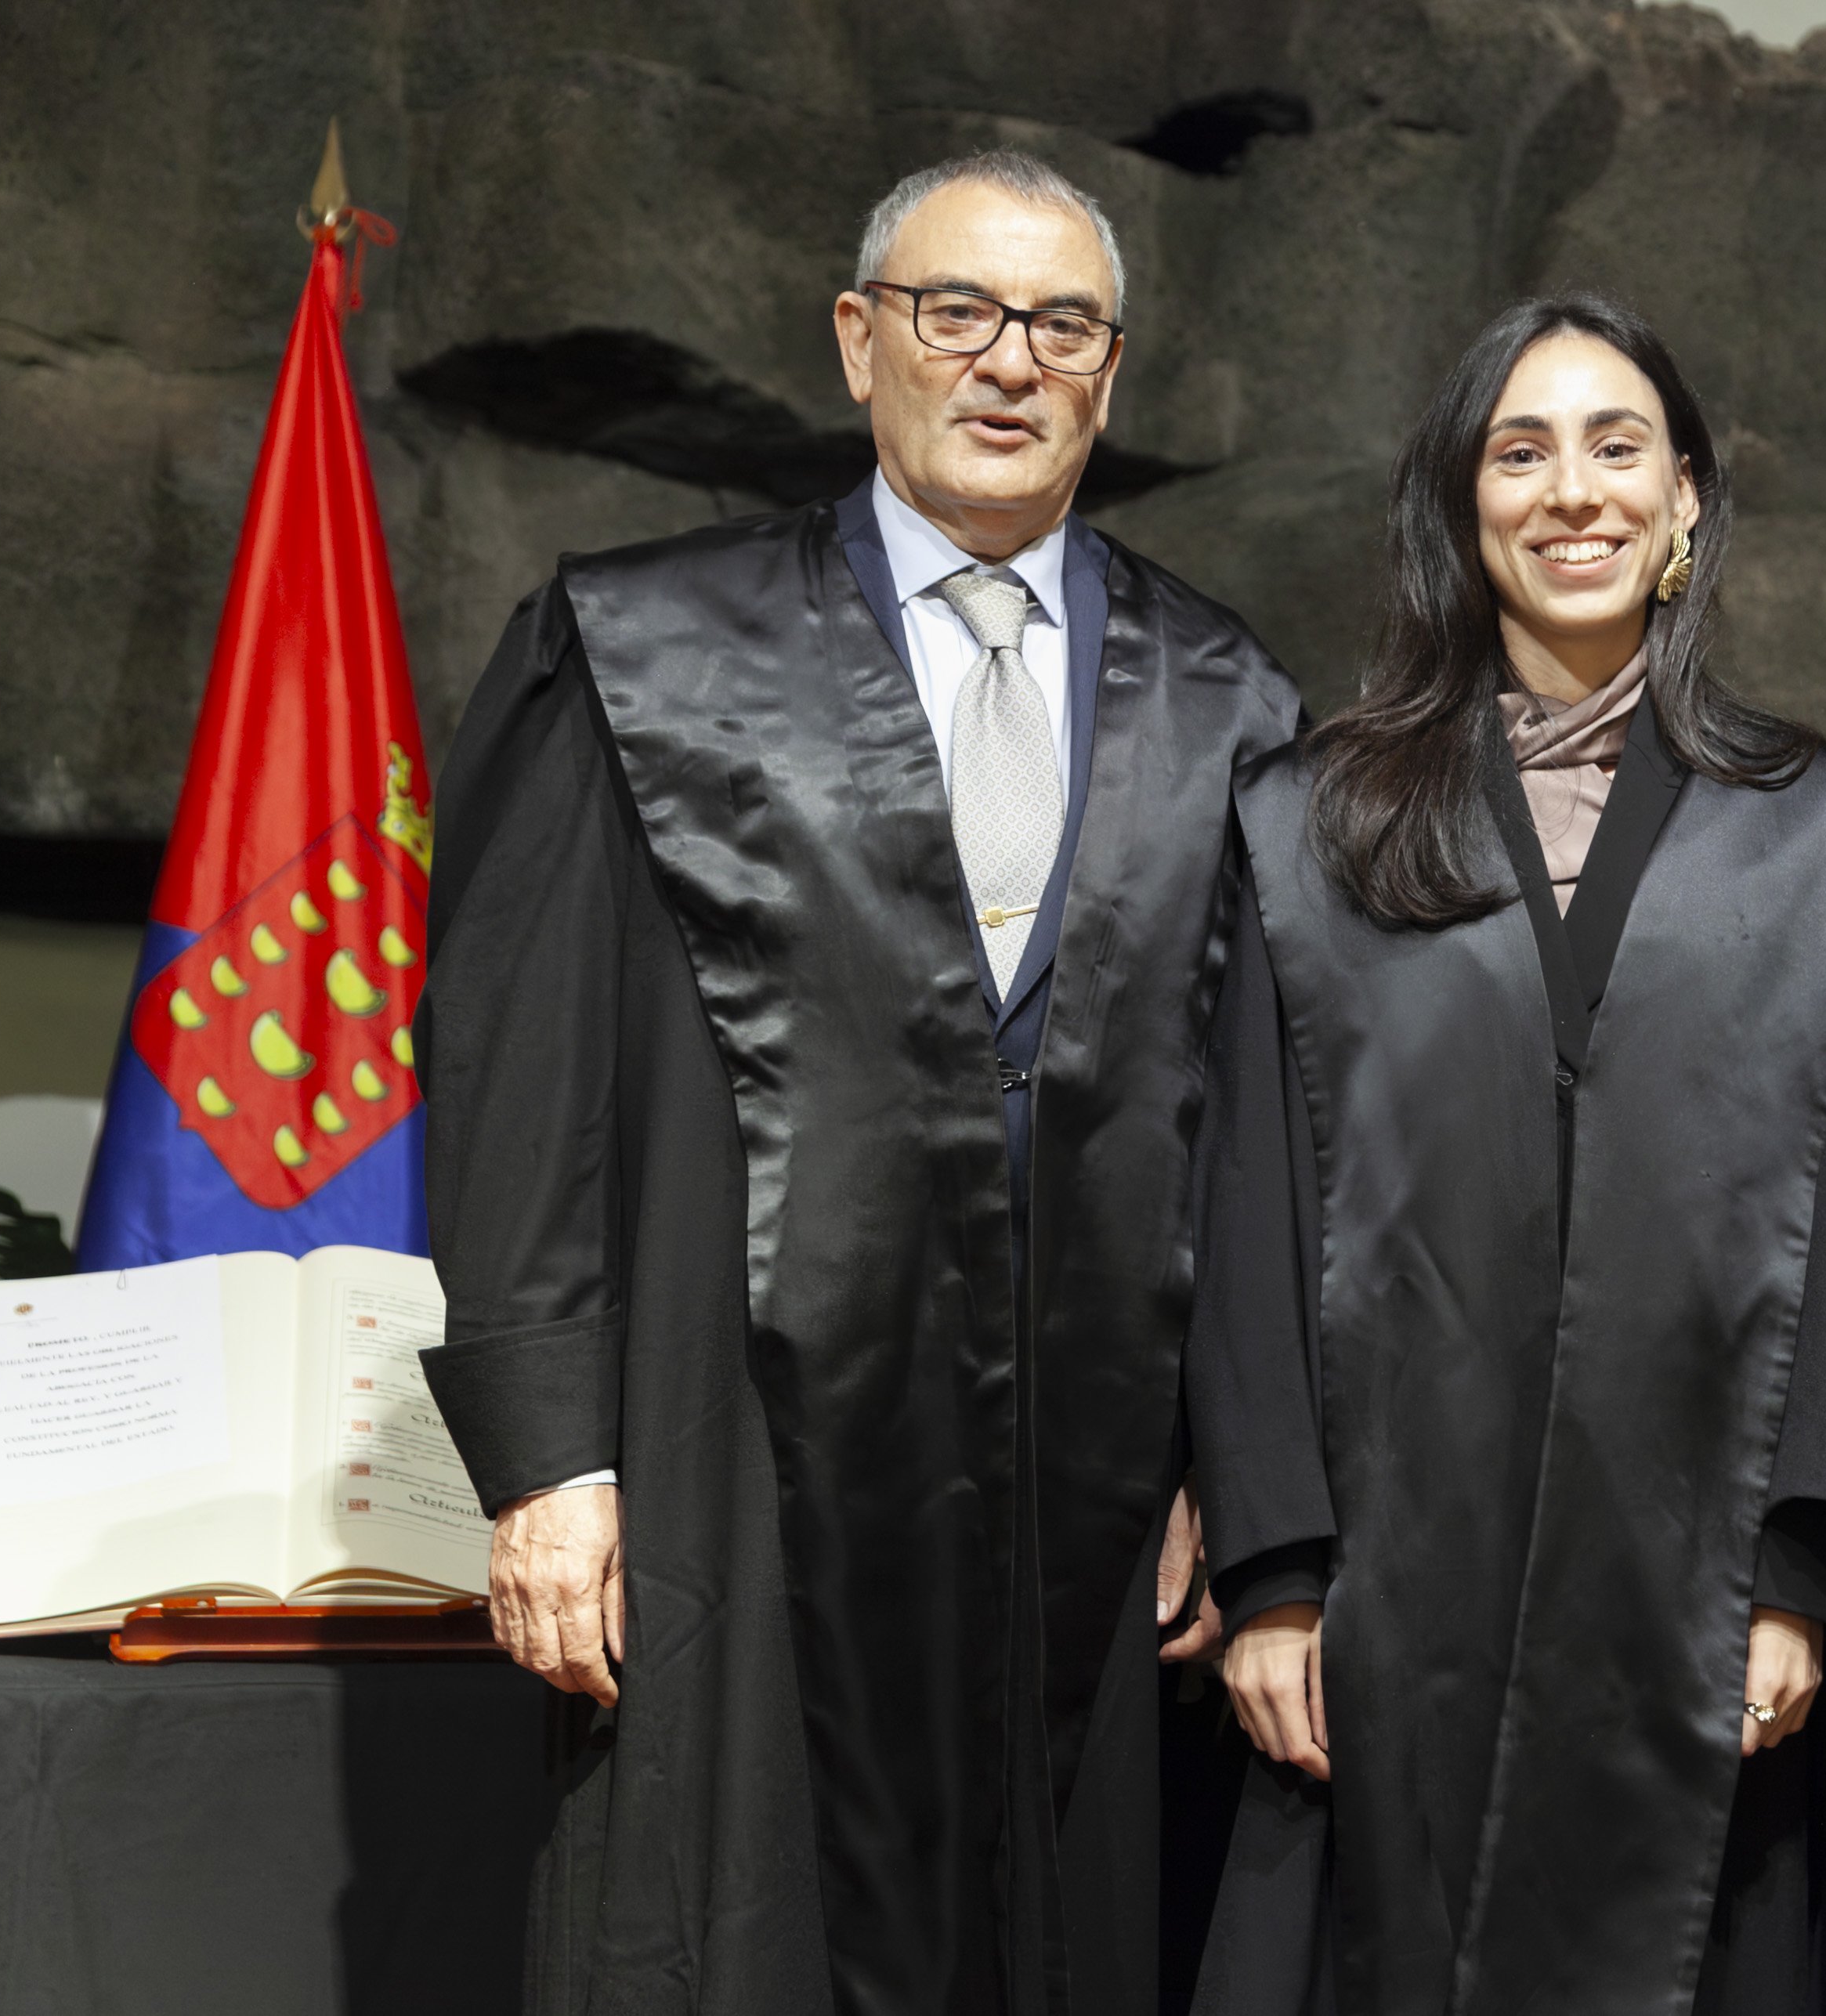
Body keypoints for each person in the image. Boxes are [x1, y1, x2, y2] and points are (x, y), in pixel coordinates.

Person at [415, 151, 1302, 2016]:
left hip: (1078, 1477)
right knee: (725, 1926)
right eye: (953, 311)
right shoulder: (644, 649)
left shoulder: (1226, 700)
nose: (1007, 363)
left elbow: (1262, 1121)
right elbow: (518, 1065)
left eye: (1060, 326)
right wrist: (549, 1452)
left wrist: (1229, 1461)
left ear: (1109, 372)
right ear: (856, 340)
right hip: (720, 1441)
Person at [1183, 294, 1826, 2016]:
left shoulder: (1824, 833)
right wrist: (1273, 1579)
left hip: (1688, 1569)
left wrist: (1791, 1573)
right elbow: (1248, 1208)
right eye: (1519, 449)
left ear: (1686, 498)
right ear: (1457, 501)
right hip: (1393, 1573)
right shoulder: (1311, 825)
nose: (1571, 491)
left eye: (1615, 445)